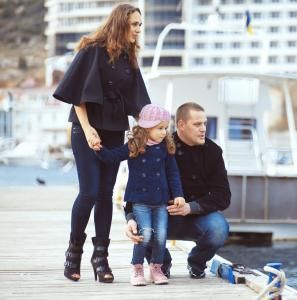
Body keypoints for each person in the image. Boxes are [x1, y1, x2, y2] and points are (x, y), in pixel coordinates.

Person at [53, 3, 150, 283]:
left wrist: (154, 128)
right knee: (90, 192)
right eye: (134, 24)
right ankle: (74, 253)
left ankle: (101, 259)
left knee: (106, 195)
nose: (138, 30)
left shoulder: (129, 56)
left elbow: (139, 101)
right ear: (120, 23)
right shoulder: (91, 49)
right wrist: (88, 130)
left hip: (114, 129)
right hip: (86, 129)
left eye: (140, 25)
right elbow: (75, 95)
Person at [125, 102, 231, 279]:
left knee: (219, 228)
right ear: (181, 125)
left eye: (205, 123)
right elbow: (136, 189)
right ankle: (161, 265)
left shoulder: (213, 152)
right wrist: (129, 219)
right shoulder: (156, 148)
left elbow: (223, 196)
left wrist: (192, 207)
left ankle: (196, 264)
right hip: (162, 217)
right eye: (197, 124)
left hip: (199, 217)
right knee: (143, 224)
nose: (203, 129)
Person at [95, 104, 185, 286]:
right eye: (160, 128)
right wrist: (98, 148)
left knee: (160, 235)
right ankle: (137, 269)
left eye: (165, 128)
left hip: (160, 201)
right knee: (144, 234)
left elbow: (173, 173)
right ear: (146, 127)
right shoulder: (133, 145)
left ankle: (156, 268)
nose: (163, 132)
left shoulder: (165, 148)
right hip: (140, 201)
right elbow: (112, 157)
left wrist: (178, 194)